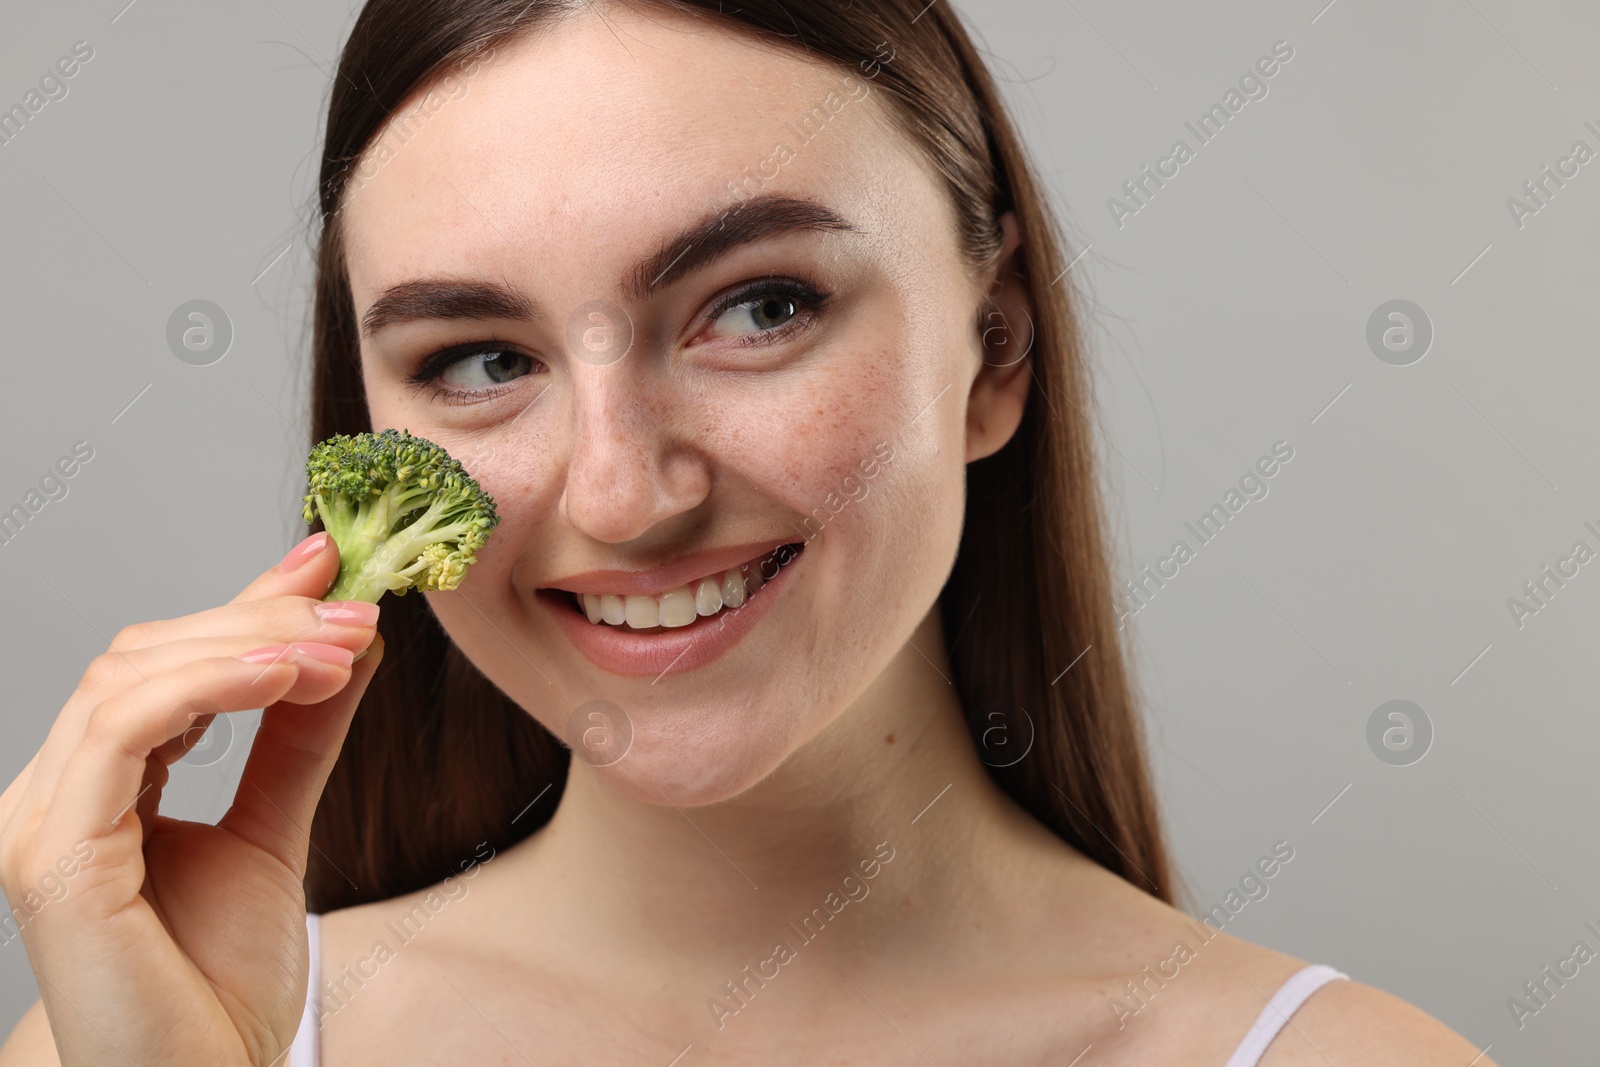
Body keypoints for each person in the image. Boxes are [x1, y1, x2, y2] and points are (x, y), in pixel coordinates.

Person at [0, 1, 1491, 1063]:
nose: (619, 497)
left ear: (996, 347)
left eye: (758, 307)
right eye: (479, 358)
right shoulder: (157, 1042)